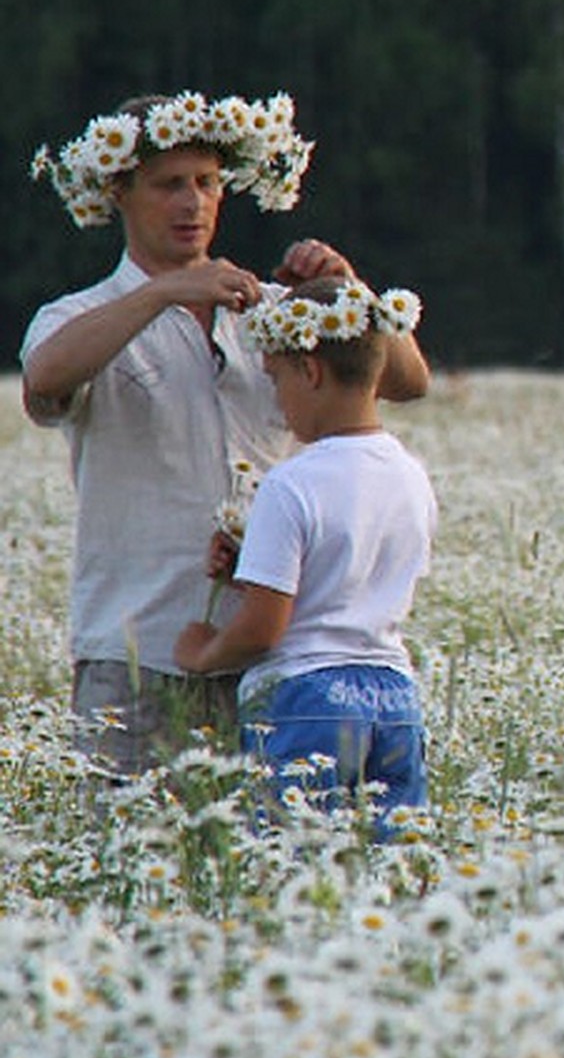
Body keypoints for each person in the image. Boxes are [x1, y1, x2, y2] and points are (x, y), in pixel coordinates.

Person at [20, 91, 430, 772]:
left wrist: (349, 290)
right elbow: (44, 378)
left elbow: (407, 381)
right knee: (132, 869)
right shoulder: (79, 315)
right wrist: (163, 295)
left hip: (271, 656)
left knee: (263, 868)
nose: (192, 204)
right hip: (136, 654)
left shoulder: (268, 310)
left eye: (207, 183)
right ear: (119, 190)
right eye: (169, 185)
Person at [173, 276, 435, 837]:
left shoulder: (289, 485)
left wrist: (203, 653)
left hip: (307, 697)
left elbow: (265, 632)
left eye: (276, 379)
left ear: (310, 371)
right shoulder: (412, 477)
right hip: (394, 694)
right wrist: (252, 574)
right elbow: (349, 583)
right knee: (390, 856)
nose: (278, 400)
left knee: (297, 859)